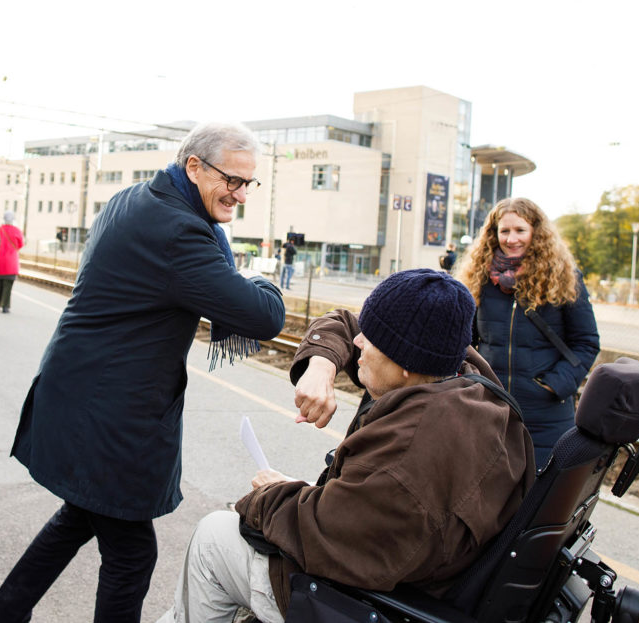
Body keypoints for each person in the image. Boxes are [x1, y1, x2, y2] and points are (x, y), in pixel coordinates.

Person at [0, 122, 285, 623]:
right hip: (109, 415)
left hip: (77, 393)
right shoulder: (182, 232)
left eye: (248, 183)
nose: (240, 195)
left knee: (76, 518)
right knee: (131, 554)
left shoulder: (134, 198)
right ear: (194, 166)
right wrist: (259, 280)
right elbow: (263, 316)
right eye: (231, 180)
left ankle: (1, 616)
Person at [158, 269, 535, 623]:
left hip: (367, 598)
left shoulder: (410, 452)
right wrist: (321, 365)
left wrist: (269, 496)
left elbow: (325, 537)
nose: (357, 343)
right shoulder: (460, 378)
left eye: (370, 339)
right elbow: (346, 323)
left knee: (214, 537)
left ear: (403, 362)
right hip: (405, 559)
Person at [456, 197, 599, 466]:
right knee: (487, 496)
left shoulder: (563, 276)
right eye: (504, 231)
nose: (511, 239)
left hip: (545, 417)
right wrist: (471, 380)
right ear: (493, 233)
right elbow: (467, 340)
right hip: (488, 407)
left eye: (520, 230)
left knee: (538, 498)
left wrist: (553, 385)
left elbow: (586, 342)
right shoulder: (479, 278)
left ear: (535, 232)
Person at [0, 211, 24, 313]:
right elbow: (20, 244)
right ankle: (5, 306)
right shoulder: (17, 231)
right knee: (8, 286)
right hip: (11, 262)